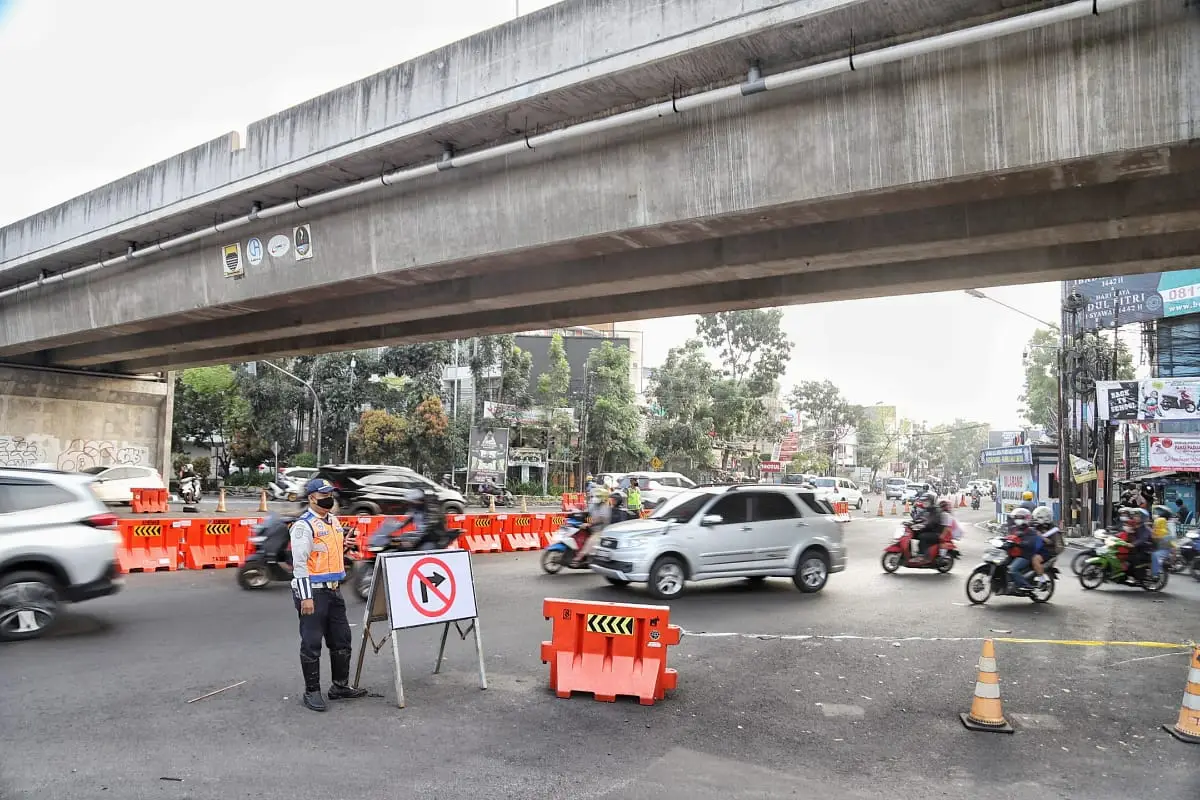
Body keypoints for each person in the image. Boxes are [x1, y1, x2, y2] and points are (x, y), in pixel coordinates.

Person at [290, 478, 367, 712]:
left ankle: (339, 686)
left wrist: (345, 545)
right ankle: (311, 691)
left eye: (331, 493)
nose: (329, 498)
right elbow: (300, 564)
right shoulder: (304, 526)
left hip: (334, 590)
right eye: (324, 494)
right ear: (312, 497)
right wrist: (306, 597)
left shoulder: (333, 521)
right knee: (312, 643)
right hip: (312, 591)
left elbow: (327, 552)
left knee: (342, 639)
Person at [1008, 508, 1043, 589]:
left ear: (1025, 519)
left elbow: (1030, 543)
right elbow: (1008, 537)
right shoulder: (1014, 528)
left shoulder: (1030, 531)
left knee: (1012, 569)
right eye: (1017, 518)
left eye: (1020, 518)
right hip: (1013, 553)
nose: (1018, 520)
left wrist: (1020, 543)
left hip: (1025, 555)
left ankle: (1024, 585)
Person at [910, 492, 948, 561]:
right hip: (929, 529)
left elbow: (932, 522)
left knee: (922, 537)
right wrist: (912, 522)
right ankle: (913, 554)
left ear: (931, 501)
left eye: (926, 501)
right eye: (924, 501)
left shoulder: (936, 510)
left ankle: (923, 555)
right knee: (914, 534)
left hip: (936, 532)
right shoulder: (927, 509)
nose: (924, 503)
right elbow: (921, 518)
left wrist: (922, 526)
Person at [1030, 506, 1061, 584]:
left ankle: (1042, 581)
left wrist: (1041, 536)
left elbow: (1051, 542)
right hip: (1037, 549)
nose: (1036, 519)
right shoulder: (1037, 526)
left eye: (1039, 517)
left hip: (1048, 551)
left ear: (1046, 518)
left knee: (1035, 559)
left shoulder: (1053, 529)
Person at [1150, 505, 1177, 578]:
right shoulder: (1161, 522)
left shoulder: (1166, 523)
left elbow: (1170, 537)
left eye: (1158, 513)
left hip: (1164, 544)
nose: (1156, 514)